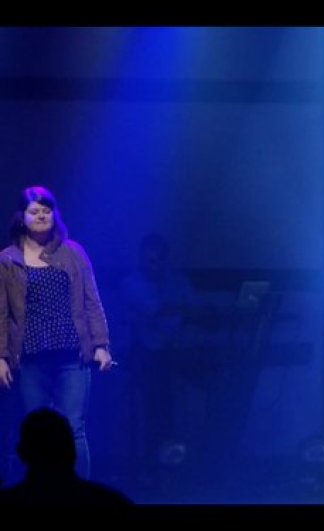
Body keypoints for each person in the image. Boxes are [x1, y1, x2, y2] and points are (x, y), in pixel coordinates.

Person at [0, 186, 114, 480]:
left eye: (46, 210)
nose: (40, 215)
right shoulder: (8, 260)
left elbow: (92, 299)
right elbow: (1, 313)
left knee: (73, 428)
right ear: (21, 216)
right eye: (34, 211)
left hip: (71, 357)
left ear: (55, 214)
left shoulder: (73, 252)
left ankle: (77, 495)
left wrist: (101, 344)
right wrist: (0, 355)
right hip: (28, 359)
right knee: (28, 429)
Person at [118, 232, 195, 483]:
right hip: (144, 356)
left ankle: (172, 466)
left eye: (159, 260)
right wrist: (176, 311)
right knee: (154, 412)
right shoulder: (131, 283)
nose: (154, 265)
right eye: (150, 260)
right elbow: (155, 309)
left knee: (173, 410)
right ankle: (151, 467)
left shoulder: (177, 281)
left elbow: (195, 308)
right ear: (141, 259)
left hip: (176, 354)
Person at [0, 407, 132, 505]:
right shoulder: (111, 501)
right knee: (65, 430)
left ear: (21, 453)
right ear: (72, 452)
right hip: (31, 369)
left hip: (72, 368)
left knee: (72, 429)